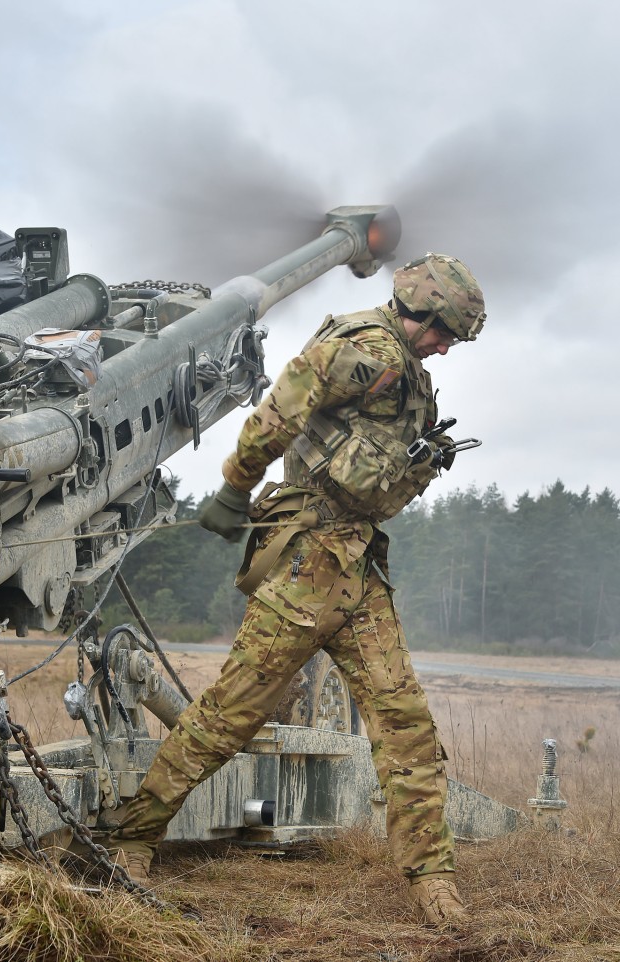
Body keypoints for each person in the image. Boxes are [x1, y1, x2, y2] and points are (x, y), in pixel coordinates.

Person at [109, 254, 487, 927]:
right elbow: (284, 402)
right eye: (444, 332)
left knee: (406, 730)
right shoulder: (368, 353)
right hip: (306, 565)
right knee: (226, 717)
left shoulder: (410, 374)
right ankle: (134, 839)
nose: (446, 346)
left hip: (359, 570)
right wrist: (234, 484)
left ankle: (435, 884)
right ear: (420, 313)